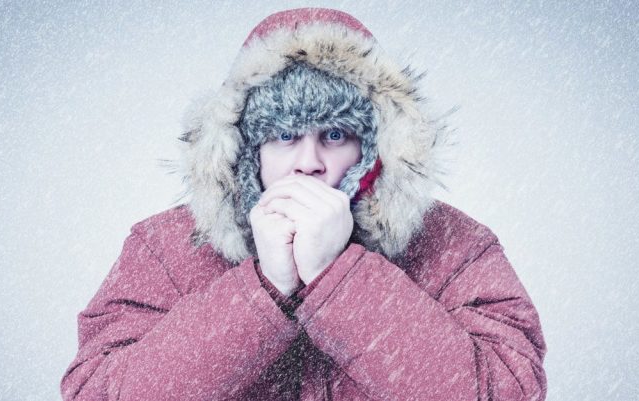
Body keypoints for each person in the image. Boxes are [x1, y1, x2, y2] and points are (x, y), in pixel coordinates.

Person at [61, 8, 547, 401]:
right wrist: (263, 289)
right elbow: (97, 393)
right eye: (284, 136)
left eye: (334, 135)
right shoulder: (166, 249)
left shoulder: (454, 247)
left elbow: (508, 391)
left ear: (375, 146)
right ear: (245, 150)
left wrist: (339, 278)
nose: (309, 163)